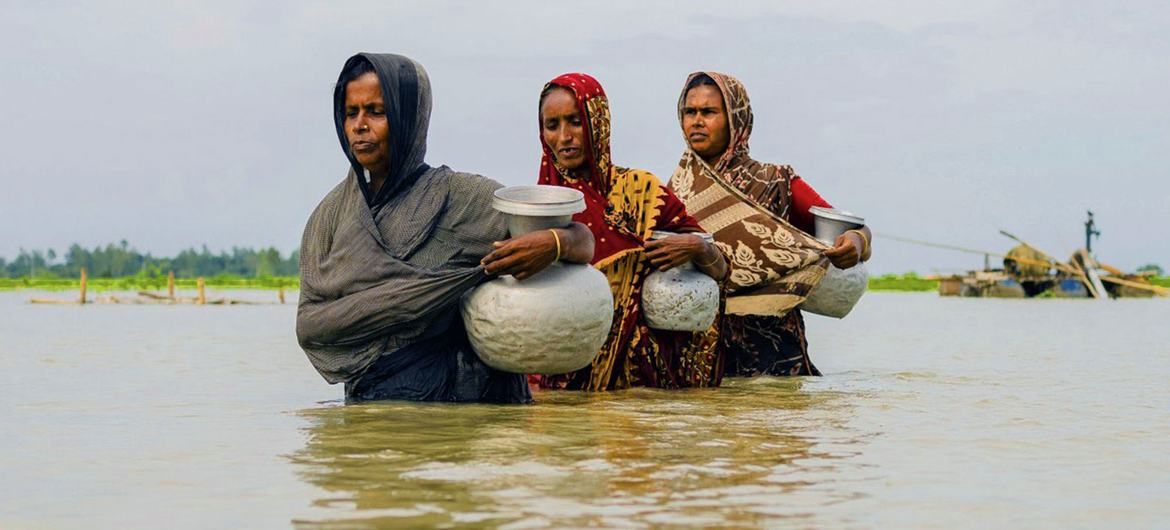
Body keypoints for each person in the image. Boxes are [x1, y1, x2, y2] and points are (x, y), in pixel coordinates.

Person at [295, 53, 594, 403]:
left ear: (409, 117)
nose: (360, 125)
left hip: (463, 411)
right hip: (373, 407)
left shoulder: (458, 197)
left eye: (376, 111)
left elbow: (581, 239)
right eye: (351, 113)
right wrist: (400, 303)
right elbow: (309, 325)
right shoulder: (330, 217)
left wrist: (556, 242)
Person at [531, 73, 728, 391]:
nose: (564, 136)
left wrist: (697, 248)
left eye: (575, 121)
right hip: (561, 387)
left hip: (644, 390)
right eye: (552, 126)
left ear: (598, 121)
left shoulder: (644, 191)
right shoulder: (541, 209)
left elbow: (720, 271)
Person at [669, 72, 872, 377]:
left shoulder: (775, 182)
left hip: (773, 349)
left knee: (775, 416)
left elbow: (849, 229)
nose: (697, 121)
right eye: (690, 112)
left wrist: (856, 243)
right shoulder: (672, 192)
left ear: (737, 119)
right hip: (700, 349)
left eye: (709, 112)